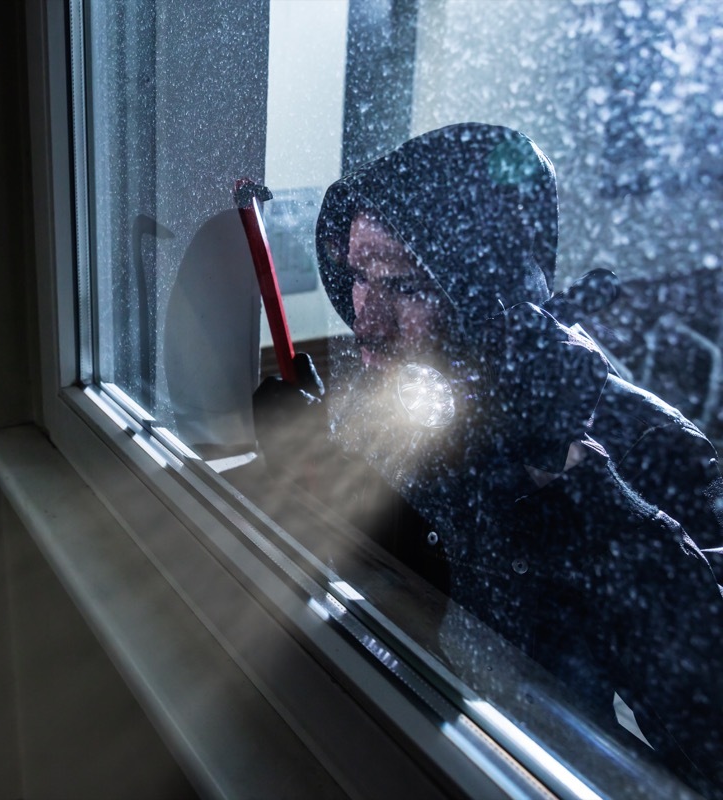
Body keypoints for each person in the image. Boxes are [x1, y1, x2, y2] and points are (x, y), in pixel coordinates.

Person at [254, 122, 723, 794]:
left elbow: (708, 736)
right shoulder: (398, 398)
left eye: (406, 287)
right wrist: (303, 468)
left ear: (491, 295)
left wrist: (574, 482)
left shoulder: (649, 447)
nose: (368, 321)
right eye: (359, 277)